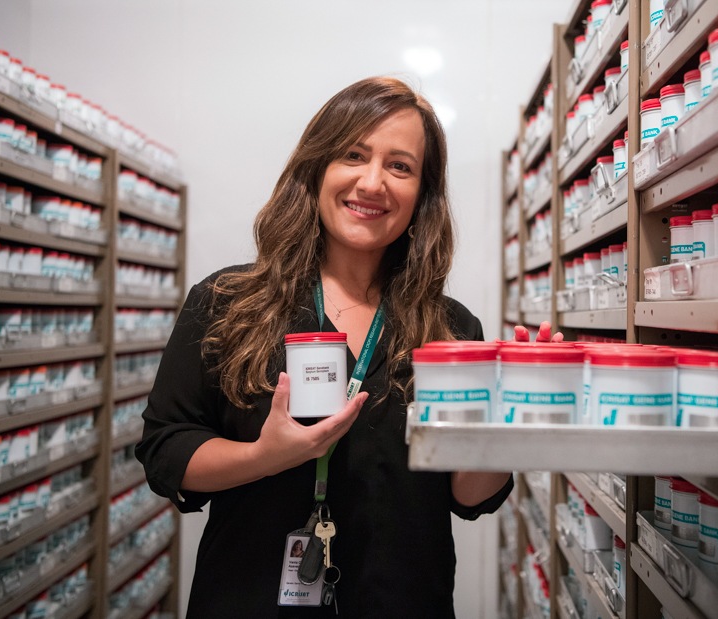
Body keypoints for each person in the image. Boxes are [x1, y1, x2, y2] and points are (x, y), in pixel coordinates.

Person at [136, 77, 515, 618]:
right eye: (353, 155)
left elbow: (469, 495)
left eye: (400, 166)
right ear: (316, 168)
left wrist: (510, 419)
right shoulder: (225, 303)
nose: (372, 182)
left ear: (421, 195)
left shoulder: (451, 331)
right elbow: (165, 449)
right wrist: (262, 458)